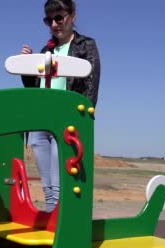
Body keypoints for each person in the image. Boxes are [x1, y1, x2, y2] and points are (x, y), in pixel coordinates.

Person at [19, 0, 101, 212]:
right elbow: (33, 89)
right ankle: (50, 227)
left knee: (59, 184)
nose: (54, 24)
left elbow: (90, 87)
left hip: (65, 122)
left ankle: (59, 231)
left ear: (72, 16)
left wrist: (80, 119)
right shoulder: (46, 50)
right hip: (40, 122)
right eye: (49, 20)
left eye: (59, 17)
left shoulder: (86, 46)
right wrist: (25, 67)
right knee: (47, 186)